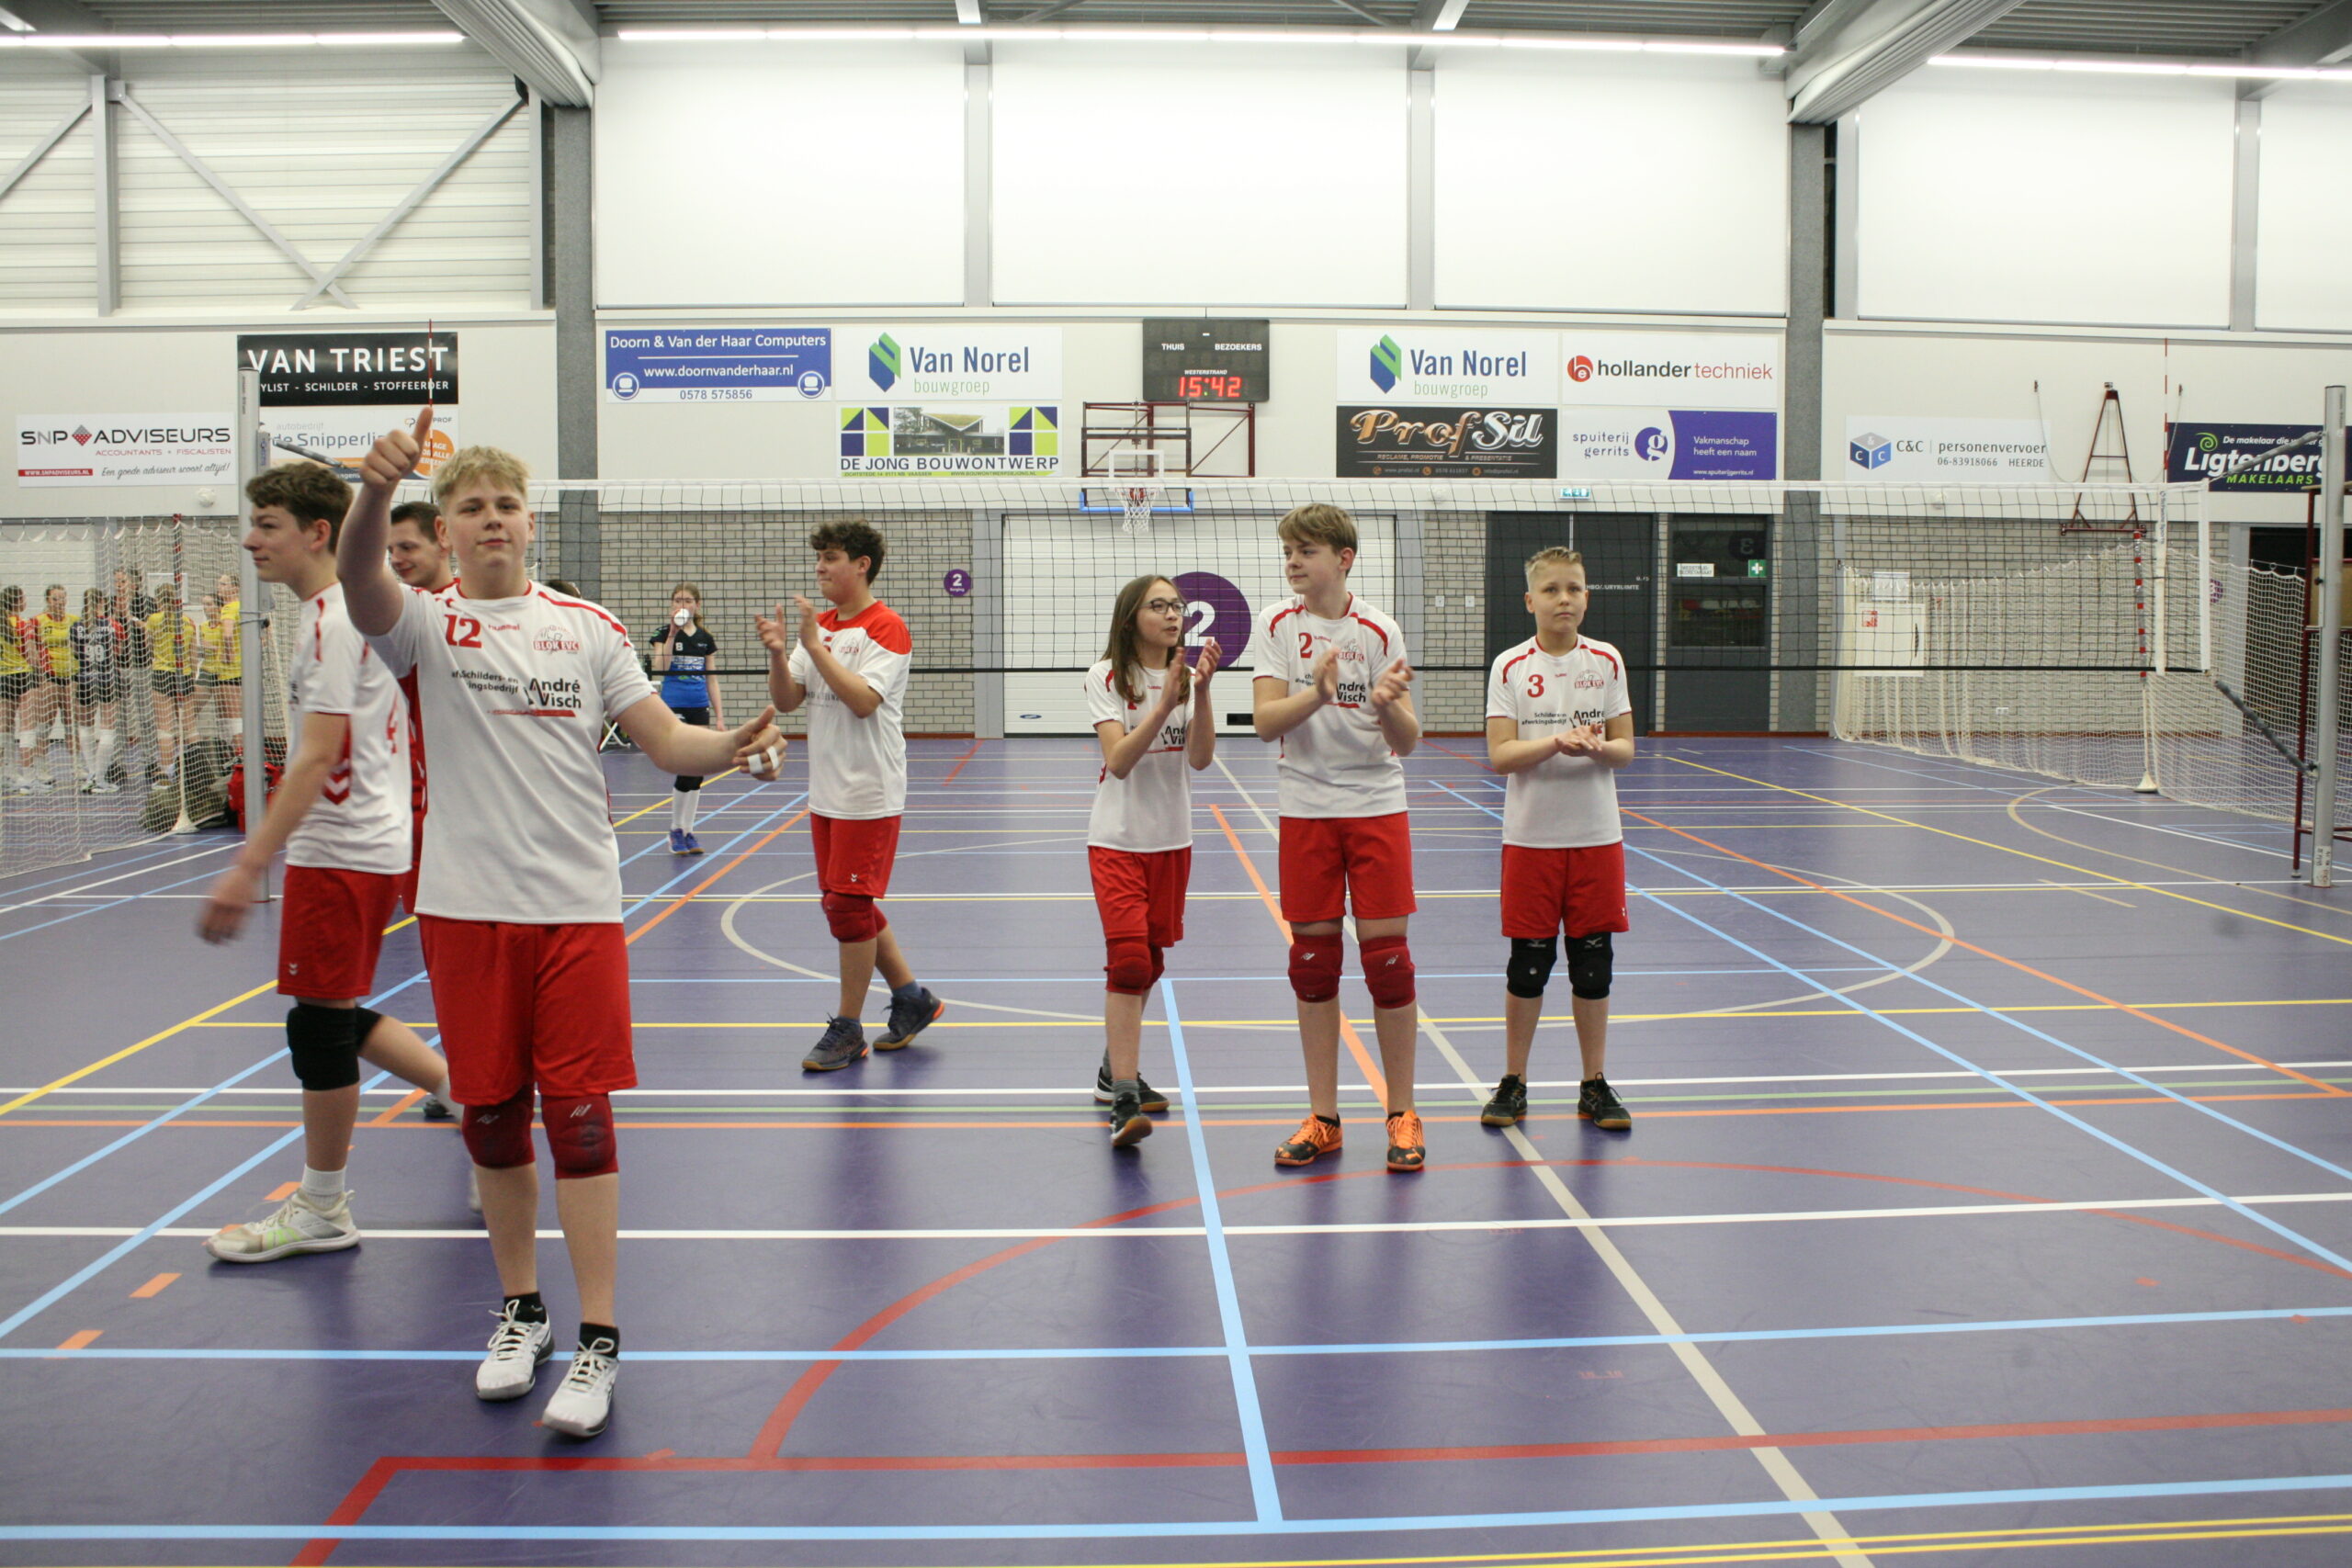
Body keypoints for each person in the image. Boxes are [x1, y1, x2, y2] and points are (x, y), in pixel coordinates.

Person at [338, 409, 785, 1440]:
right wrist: (375, 488)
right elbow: (359, 575)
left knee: (579, 1119)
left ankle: (599, 1338)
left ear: (531, 522)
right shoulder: (420, 624)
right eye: (470, 507)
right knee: (492, 1116)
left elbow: (666, 739)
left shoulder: (588, 627)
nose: (491, 518)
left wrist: (733, 744)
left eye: (507, 504)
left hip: (576, 909)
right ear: (444, 530)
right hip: (464, 910)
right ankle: (521, 1313)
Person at [196, 461, 460, 1263]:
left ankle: (322, 1206)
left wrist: (249, 864)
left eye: (267, 524)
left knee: (317, 1026)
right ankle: (461, 1090)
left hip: (342, 846)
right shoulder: (341, 611)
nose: (251, 540)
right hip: (362, 841)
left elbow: (316, 756)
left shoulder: (335, 619)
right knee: (330, 1011)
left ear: (318, 533)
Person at [1247, 502, 1425, 1174]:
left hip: (1376, 803)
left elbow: (1409, 740)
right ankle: (1323, 1117)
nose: (1293, 561)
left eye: (1307, 550)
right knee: (1313, 964)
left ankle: (1402, 1112)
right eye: (1289, 551)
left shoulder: (1379, 628)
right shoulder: (1276, 624)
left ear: (1344, 559)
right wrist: (1318, 696)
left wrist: (1385, 706)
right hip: (1306, 807)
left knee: (1389, 963)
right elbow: (1266, 722)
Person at [757, 521, 941, 1072]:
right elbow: (788, 700)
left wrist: (814, 646)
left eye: (831, 557)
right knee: (845, 904)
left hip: (869, 789)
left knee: (846, 905)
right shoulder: (822, 628)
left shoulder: (886, 627)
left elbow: (863, 701)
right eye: (819, 557)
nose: (820, 567)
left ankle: (848, 1027)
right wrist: (779, 653)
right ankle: (912, 999)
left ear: (862, 565)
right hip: (826, 790)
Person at [1481, 547, 1636, 1133]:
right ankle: (1513, 1081)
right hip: (1531, 840)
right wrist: (1555, 743)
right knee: (1528, 965)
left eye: (1573, 588)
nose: (1563, 599)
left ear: (1586, 597)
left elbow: (1625, 749)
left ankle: (1594, 1084)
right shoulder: (1509, 667)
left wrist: (1596, 748)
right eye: (1551, 590)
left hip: (1596, 837)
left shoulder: (1607, 660)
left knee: (1593, 966)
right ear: (1530, 600)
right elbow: (1501, 756)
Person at [1084, 576, 1219, 1146]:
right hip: (1117, 840)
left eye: (1176, 606)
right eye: (1158, 606)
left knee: (1152, 961)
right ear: (1131, 617)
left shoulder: (1186, 678)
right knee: (1130, 962)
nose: (1172, 615)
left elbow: (1201, 759)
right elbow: (1118, 760)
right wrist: (1164, 704)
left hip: (1172, 841)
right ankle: (1123, 1097)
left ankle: (1111, 1068)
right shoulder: (1107, 677)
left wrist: (1201, 694)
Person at [384, 500, 455, 920]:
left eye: (407, 547)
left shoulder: (462, 611)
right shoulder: (390, 612)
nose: (396, 559)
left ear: (443, 540)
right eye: (390, 549)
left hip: (442, 802)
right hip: (402, 796)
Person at [650, 584, 725, 855]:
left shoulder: (705, 639)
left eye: (688, 600)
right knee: (686, 765)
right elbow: (661, 667)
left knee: (697, 769)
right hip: (673, 707)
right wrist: (672, 634)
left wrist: (719, 716)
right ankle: (675, 830)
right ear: (672, 605)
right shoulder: (662, 633)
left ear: (697, 605)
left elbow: (712, 679)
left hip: (698, 707)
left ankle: (689, 831)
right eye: (678, 600)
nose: (682, 604)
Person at [68, 588, 126, 793]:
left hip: (85, 678)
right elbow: (119, 652)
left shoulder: (76, 626)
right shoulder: (113, 625)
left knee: (85, 727)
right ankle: (100, 779)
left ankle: (91, 774)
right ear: (102, 602)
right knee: (107, 728)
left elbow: (75, 652)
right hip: (107, 678)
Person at [21, 584, 77, 792]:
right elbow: (31, 648)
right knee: (45, 723)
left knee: (72, 723)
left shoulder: (74, 621)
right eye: (55, 599)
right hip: (49, 676)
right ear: (47, 600)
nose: (59, 602)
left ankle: (78, 766)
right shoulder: (37, 621)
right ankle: (41, 767)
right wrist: (39, 672)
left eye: (62, 598)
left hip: (70, 675)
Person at [144, 586, 200, 785]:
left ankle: (166, 774)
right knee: (189, 726)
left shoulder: (153, 620)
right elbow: (193, 654)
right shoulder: (188, 622)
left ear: (158, 600)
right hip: (183, 674)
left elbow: (148, 647)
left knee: (165, 728)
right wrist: (192, 676)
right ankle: (197, 772)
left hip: (162, 674)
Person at [0, 587, 30, 793]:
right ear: (18, 602)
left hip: (3, 676)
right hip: (22, 675)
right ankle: (28, 775)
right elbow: (30, 653)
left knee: (5, 726)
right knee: (26, 725)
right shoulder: (22, 624)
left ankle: (7, 772)